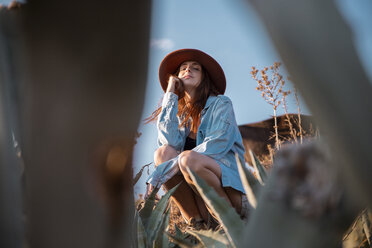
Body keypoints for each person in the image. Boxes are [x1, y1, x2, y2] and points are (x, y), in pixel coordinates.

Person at [145, 48, 248, 229]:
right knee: (162, 153)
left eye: (195, 68)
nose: (187, 70)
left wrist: (159, 175)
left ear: (204, 77)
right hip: (201, 201)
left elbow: (216, 146)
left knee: (188, 159)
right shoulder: (181, 116)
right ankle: (197, 224)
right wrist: (170, 93)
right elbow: (167, 143)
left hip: (230, 194)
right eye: (183, 68)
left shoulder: (221, 104)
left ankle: (229, 223)